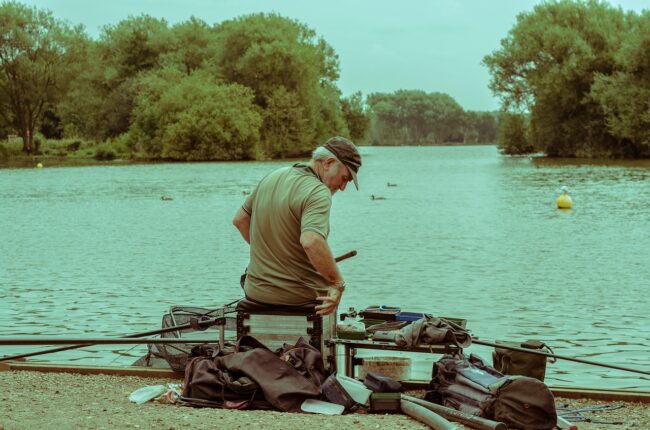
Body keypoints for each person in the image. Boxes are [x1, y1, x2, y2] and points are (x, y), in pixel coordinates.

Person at [232, 136, 362, 316]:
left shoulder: (274, 176)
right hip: (298, 299)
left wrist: (274, 257)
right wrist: (337, 283)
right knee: (331, 294)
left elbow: (240, 220)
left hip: (255, 293)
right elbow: (311, 241)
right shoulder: (318, 191)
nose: (343, 187)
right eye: (344, 178)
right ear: (328, 163)